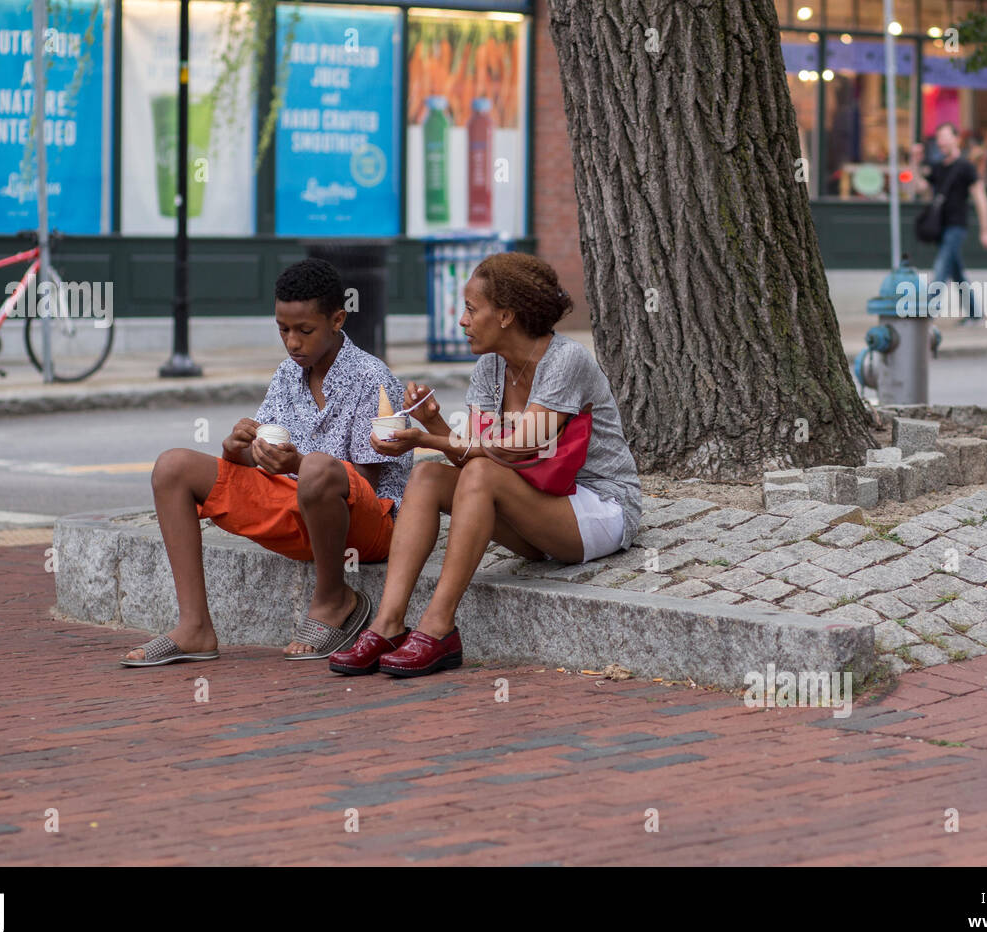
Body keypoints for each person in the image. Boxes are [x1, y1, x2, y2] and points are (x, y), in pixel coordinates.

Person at [329, 252, 642, 679]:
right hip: (534, 508)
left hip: (597, 506)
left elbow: (518, 449)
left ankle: (438, 628)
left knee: (475, 473)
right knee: (428, 475)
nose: (463, 320)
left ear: (507, 315)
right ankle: (388, 623)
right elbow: (475, 450)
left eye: (472, 309)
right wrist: (432, 421)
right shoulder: (489, 368)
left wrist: (424, 439)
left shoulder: (565, 360)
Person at [122, 258, 412, 666]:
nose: (292, 342)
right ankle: (195, 627)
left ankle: (334, 599)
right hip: (298, 507)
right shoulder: (287, 374)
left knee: (315, 469)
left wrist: (299, 461)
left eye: (304, 330)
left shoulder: (372, 376)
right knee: (173, 466)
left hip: (368, 525)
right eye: (283, 330)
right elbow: (263, 460)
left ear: (337, 319)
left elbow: (364, 479)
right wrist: (238, 448)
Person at [910, 123, 987, 324]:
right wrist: (914, 162)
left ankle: (927, 312)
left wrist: (986, 230)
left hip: (957, 226)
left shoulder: (966, 167)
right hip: (939, 227)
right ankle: (975, 314)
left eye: (946, 137)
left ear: (956, 139)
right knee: (956, 273)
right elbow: (919, 187)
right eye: (939, 138)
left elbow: (980, 198)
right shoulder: (938, 168)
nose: (942, 142)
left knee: (941, 268)